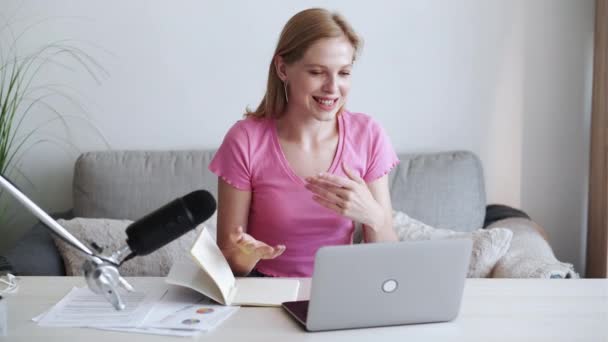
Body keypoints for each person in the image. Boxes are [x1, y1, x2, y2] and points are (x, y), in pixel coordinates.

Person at [209, 8, 399, 278]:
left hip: (341, 293)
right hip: (265, 294)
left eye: (344, 73)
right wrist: (247, 255)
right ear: (283, 68)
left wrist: (373, 215)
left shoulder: (368, 135)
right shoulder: (245, 140)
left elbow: (389, 261)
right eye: (317, 72)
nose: (333, 87)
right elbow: (227, 263)